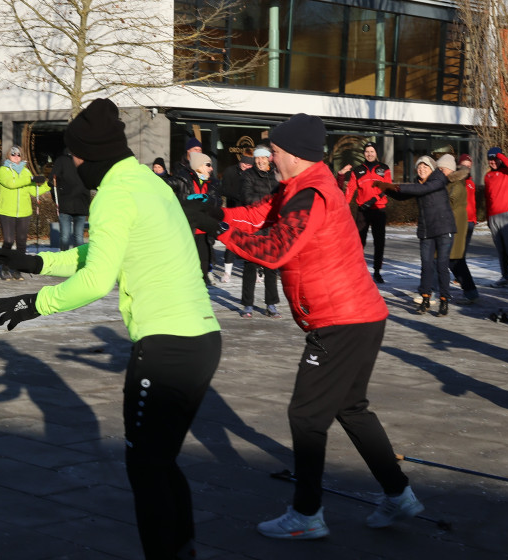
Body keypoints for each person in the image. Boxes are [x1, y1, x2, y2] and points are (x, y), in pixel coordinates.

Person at [0, 98, 221, 559]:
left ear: (91, 155)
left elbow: (96, 280)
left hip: (166, 347)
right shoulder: (146, 183)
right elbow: (100, 255)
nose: (71, 166)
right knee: (160, 463)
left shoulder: (114, 194)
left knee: (146, 469)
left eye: (73, 156)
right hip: (202, 340)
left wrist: (34, 304)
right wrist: (35, 262)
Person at [184, 113, 421, 540]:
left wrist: (218, 229)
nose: (270, 157)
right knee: (350, 408)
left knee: (306, 416)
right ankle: (398, 494)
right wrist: (214, 213)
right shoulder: (299, 187)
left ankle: (307, 514)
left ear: (294, 154)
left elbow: (274, 250)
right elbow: (259, 215)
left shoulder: (311, 195)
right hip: (360, 316)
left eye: (274, 151)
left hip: (341, 320)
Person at [380, 155, 454, 315]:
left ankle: (444, 300)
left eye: (425, 166)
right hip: (426, 230)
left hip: (443, 229)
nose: (421, 169)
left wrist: (395, 186)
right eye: (419, 167)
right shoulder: (419, 183)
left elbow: (422, 189)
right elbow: (402, 195)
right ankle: (425, 298)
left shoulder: (438, 179)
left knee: (441, 265)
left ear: (432, 168)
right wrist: (385, 188)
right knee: (426, 265)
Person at [237, 146, 282, 318]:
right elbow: (247, 197)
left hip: (271, 227)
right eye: (257, 158)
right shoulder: (248, 175)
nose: (260, 161)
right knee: (250, 266)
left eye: (263, 158)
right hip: (253, 226)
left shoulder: (276, 175)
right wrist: (269, 201)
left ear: (269, 158)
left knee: (271, 267)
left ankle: (271, 304)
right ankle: (247, 305)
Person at [339, 142, 391, 283]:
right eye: (367, 151)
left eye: (372, 151)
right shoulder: (357, 170)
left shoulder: (384, 169)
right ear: (364, 153)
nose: (369, 154)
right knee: (359, 243)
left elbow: (387, 188)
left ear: (376, 153)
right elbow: (350, 189)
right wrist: (343, 206)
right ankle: (358, 270)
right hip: (363, 211)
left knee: (379, 242)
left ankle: (377, 271)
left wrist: (373, 200)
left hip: (379, 210)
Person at [0, 145, 49, 280]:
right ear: (8, 156)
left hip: (24, 212)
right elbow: (11, 183)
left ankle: (17, 269)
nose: (16, 156)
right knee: (8, 241)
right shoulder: (3, 170)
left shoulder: (26, 172)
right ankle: (5, 267)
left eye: (18, 154)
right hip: (7, 211)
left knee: (21, 242)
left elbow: (34, 191)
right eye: (13, 154)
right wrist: (30, 179)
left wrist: (48, 185)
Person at [168, 151, 218, 285]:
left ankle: (201, 288)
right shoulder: (183, 179)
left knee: (203, 267)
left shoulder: (211, 182)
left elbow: (218, 201)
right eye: (208, 165)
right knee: (187, 266)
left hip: (205, 232)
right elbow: (164, 184)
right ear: (198, 166)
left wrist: (209, 199)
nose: (211, 168)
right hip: (188, 229)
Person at [485, 147, 508, 288]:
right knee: (500, 249)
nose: (493, 162)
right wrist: (488, 218)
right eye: (490, 159)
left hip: (507, 214)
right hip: (493, 216)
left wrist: (500, 155)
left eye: (495, 159)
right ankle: (504, 277)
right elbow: (487, 198)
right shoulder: (487, 176)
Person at [217, 153, 252, 284]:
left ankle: (255, 272)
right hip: (233, 210)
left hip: (248, 212)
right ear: (240, 162)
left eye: (249, 165)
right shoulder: (230, 171)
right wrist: (238, 196)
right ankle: (227, 272)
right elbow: (224, 189)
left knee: (250, 242)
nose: (247, 167)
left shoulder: (252, 173)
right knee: (231, 241)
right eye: (245, 164)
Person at [450, 154, 480, 302]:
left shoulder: (469, 183)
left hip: (467, 223)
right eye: (463, 165)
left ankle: (469, 289)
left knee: (455, 257)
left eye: (468, 166)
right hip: (460, 222)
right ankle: (469, 289)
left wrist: (473, 220)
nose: (466, 168)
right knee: (455, 257)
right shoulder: (456, 182)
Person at [50, 147, 90, 252]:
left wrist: (57, 198)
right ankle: (72, 258)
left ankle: (72, 258)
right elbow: (53, 181)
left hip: (76, 204)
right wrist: (57, 199)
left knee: (70, 236)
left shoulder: (83, 160)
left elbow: (52, 181)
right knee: (72, 236)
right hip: (71, 204)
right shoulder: (64, 160)